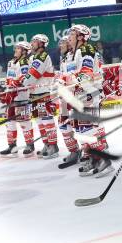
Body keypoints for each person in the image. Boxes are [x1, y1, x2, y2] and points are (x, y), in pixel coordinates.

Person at [67, 25, 114, 178]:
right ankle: (94, 158)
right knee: (81, 130)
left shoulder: (86, 50)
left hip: (88, 93)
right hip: (79, 94)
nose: (69, 36)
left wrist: (68, 79)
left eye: (72, 34)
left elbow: (85, 75)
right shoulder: (74, 53)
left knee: (88, 129)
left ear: (81, 37)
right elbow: (73, 74)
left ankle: (103, 159)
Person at [23, 34, 59, 159]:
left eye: (34, 41)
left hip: (42, 93)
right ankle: (47, 143)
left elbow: (33, 75)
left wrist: (21, 83)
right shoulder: (33, 57)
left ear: (41, 43)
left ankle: (53, 146)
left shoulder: (43, 56)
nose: (31, 44)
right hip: (34, 94)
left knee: (46, 121)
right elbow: (27, 74)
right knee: (39, 121)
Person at [0, 42, 34, 157]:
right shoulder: (10, 62)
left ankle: (30, 144)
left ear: (24, 51)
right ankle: (12, 146)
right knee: (10, 123)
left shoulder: (24, 62)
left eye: (18, 48)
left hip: (21, 97)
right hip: (11, 96)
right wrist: (4, 91)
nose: (15, 49)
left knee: (24, 121)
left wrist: (12, 86)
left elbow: (23, 78)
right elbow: (9, 79)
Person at [57, 35, 81, 167]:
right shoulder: (64, 58)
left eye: (63, 43)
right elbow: (62, 75)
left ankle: (89, 152)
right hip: (66, 98)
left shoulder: (79, 54)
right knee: (63, 124)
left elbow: (81, 75)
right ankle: (74, 151)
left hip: (77, 97)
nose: (61, 46)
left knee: (81, 126)